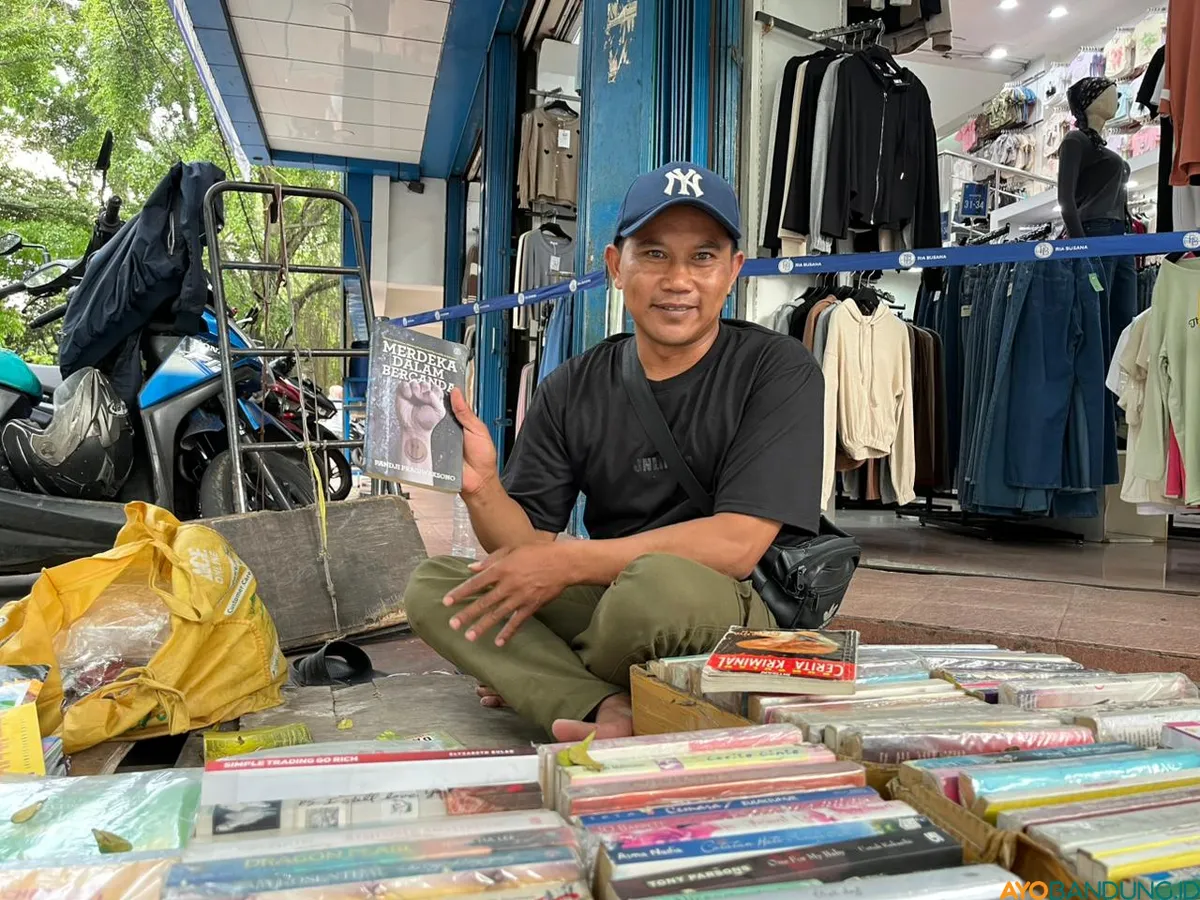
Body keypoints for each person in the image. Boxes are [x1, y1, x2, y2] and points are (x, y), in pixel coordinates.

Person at [404, 162, 824, 741]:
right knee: (438, 586)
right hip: (612, 601)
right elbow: (525, 551)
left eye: (702, 257)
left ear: (732, 272)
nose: (678, 279)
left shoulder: (777, 369)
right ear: (615, 267)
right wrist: (483, 489)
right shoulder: (572, 386)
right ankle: (608, 706)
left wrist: (569, 564)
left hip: (723, 604)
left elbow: (736, 545)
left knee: (651, 590)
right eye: (653, 254)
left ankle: (545, 678)